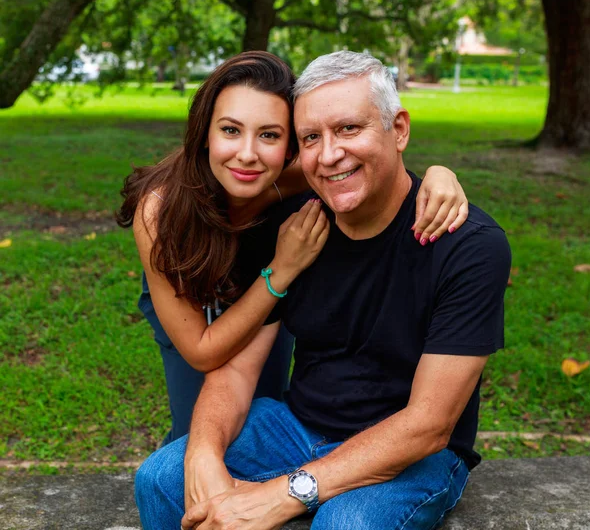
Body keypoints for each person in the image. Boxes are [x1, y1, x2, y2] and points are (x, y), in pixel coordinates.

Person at [134, 51, 511, 530]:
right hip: (298, 427)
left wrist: (287, 492)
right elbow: (232, 372)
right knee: (161, 478)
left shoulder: (469, 246)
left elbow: (428, 425)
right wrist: (204, 452)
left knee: (347, 523)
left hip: (413, 451)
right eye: (312, 137)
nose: (329, 154)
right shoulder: (296, 226)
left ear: (399, 130)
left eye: (349, 129)